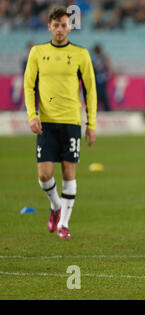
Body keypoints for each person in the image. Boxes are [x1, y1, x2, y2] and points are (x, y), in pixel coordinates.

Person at [24, 7, 97, 239]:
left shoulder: (80, 54)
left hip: (71, 121)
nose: (59, 29)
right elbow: (28, 86)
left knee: (68, 171)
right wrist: (31, 115)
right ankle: (55, 205)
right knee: (44, 174)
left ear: (69, 27)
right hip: (45, 121)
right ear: (49, 27)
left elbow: (91, 90)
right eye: (55, 25)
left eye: (64, 25)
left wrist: (91, 123)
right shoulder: (37, 52)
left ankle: (64, 224)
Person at [92, 44, 112, 111]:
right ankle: (103, 109)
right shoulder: (95, 58)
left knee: (102, 95)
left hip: (101, 79)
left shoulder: (101, 57)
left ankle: (106, 109)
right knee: (98, 95)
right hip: (98, 79)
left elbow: (106, 66)